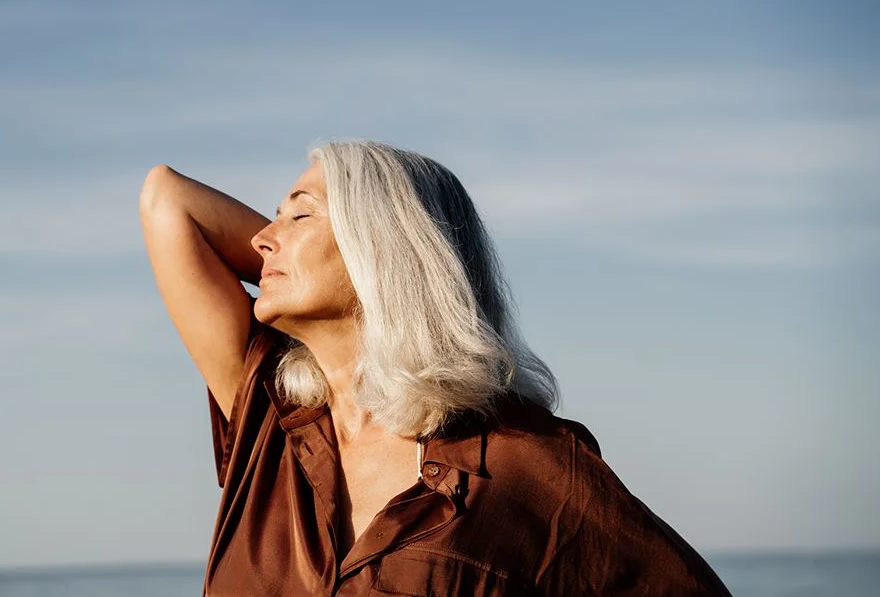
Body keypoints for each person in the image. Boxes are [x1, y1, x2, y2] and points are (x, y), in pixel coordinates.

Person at [139, 139, 733, 596]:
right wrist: (303, 257)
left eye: (300, 216)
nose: (263, 240)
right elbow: (167, 198)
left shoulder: (525, 461)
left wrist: (362, 271)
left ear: (386, 244)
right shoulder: (270, 417)